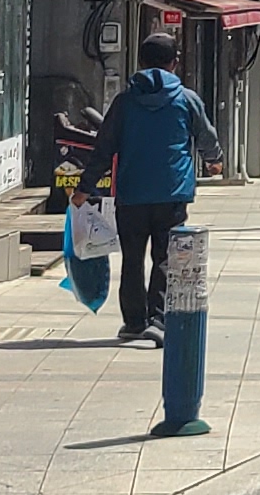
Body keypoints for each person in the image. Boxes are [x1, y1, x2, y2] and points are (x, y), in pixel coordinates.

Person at [81, 33, 222, 346]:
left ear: (141, 62)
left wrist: (84, 188)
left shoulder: (125, 102)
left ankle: (134, 322)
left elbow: (104, 148)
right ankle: (158, 320)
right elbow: (206, 136)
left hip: (131, 193)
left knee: (132, 259)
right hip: (172, 192)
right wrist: (214, 161)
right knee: (165, 258)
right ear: (175, 63)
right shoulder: (186, 99)